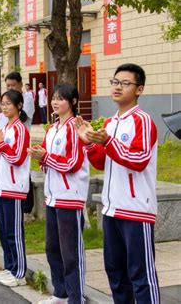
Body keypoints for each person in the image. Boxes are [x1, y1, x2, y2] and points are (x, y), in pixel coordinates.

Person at [75, 63, 160, 304]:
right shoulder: (111, 123)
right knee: (116, 273)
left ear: (139, 89)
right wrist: (90, 143)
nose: (118, 87)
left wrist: (109, 142)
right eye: (115, 82)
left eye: (125, 83)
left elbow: (139, 159)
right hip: (112, 209)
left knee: (141, 275)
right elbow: (103, 162)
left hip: (136, 210)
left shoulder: (142, 121)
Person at [28, 84, 89, 304]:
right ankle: (60, 293)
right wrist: (39, 155)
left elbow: (73, 163)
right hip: (52, 196)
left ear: (72, 102)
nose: (55, 102)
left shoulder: (76, 127)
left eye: (61, 99)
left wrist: (45, 158)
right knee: (52, 247)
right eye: (53, 98)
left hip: (70, 196)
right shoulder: (52, 129)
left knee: (71, 252)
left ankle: (76, 297)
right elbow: (47, 159)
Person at [0, 89, 30, 287]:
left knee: (14, 232)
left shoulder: (20, 129)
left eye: (8, 104)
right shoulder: (4, 127)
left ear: (19, 106)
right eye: (2, 104)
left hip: (14, 187)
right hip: (1, 186)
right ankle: (10, 267)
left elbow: (17, 158)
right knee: (4, 231)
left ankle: (19, 272)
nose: (4, 107)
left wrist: (1, 144)